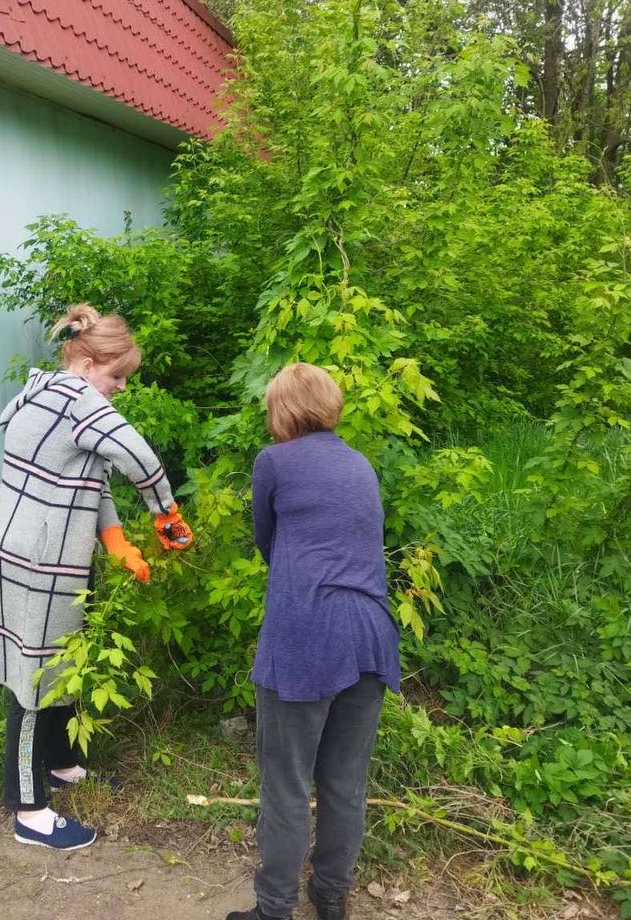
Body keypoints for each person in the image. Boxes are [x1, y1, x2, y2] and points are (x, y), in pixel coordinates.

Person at [0, 304, 193, 851]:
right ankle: (28, 810)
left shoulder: (45, 393)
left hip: (26, 552)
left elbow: (90, 480)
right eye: (117, 377)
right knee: (31, 678)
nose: (119, 389)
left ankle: (62, 764)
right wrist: (166, 513)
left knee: (56, 660)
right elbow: (139, 455)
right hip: (39, 561)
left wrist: (115, 541)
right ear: (88, 363)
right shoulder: (77, 399)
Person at [228, 363, 400, 920]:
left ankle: (274, 909)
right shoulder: (360, 464)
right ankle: (330, 896)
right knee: (345, 783)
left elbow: (267, 542)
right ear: (329, 406)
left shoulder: (273, 461)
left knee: (286, 782)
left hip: (306, 634)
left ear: (281, 410)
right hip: (371, 636)